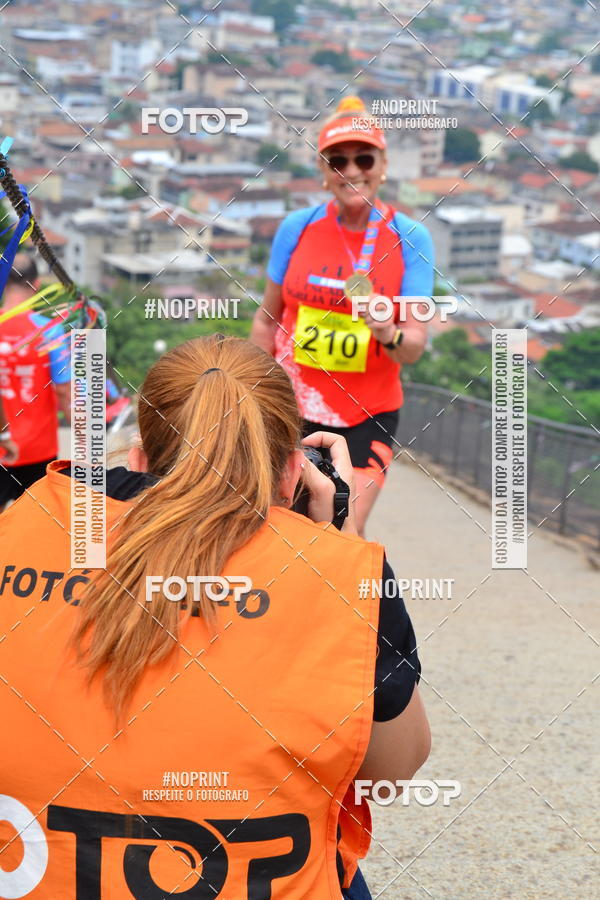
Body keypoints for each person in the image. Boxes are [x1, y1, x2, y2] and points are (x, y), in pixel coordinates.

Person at [0, 335, 430, 899]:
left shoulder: (22, 527)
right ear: (293, 476)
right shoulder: (344, 576)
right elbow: (388, 775)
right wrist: (340, 548)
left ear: (138, 460)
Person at [251, 96, 434, 536]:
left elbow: (412, 349)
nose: (351, 171)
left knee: (342, 529)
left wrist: (387, 330)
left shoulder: (410, 237)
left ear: (382, 164)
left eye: (363, 158)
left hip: (366, 414)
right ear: (323, 170)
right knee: (277, 523)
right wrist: (252, 391)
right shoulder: (297, 227)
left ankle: (353, 604)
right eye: (337, 161)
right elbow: (266, 319)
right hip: (289, 406)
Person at [0, 252, 71, 509]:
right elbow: (65, 393)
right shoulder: (49, 331)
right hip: (37, 450)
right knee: (33, 527)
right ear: (37, 284)